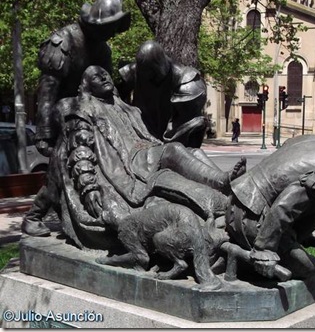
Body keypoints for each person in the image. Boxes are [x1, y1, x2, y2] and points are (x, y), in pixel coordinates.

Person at [51, 66, 246, 249]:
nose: (104, 77)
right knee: (173, 150)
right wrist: (88, 187)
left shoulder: (126, 108)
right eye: (96, 76)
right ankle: (222, 181)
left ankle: (229, 188)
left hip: (145, 151)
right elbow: (80, 149)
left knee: (194, 152)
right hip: (127, 163)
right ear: (87, 86)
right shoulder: (84, 110)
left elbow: (146, 137)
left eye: (105, 73)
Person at [21, 0, 131, 237]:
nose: (111, 33)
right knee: (61, 164)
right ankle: (34, 216)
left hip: (89, 115)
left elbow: (106, 89)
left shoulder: (103, 50)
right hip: (65, 116)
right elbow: (48, 89)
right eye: (109, 26)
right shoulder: (64, 41)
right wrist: (44, 132)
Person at [226, 117, 315, 279]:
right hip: (252, 220)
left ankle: (298, 236)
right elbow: (284, 206)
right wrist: (264, 249)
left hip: (236, 202)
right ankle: (254, 252)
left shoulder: (306, 139)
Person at [118, 40, 207, 148]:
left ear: (159, 65)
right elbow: (117, 99)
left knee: (196, 122)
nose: (148, 75)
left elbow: (186, 121)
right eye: (144, 70)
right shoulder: (134, 72)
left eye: (151, 70)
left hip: (172, 138)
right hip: (141, 130)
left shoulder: (186, 80)